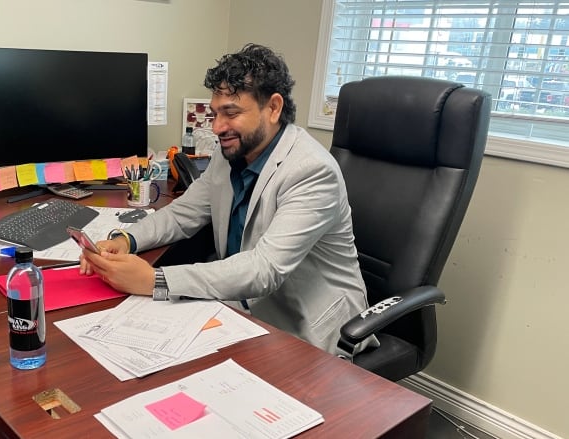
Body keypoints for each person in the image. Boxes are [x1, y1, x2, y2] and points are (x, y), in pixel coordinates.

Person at [80, 43, 373, 354]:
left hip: (305, 331)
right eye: (215, 113)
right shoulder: (232, 152)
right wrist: (127, 238)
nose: (217, 127)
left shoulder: (311, 171)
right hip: (241, 308)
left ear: (273, 108)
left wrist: (155, 280)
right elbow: (183, 213)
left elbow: (263, 270)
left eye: (231, 113)